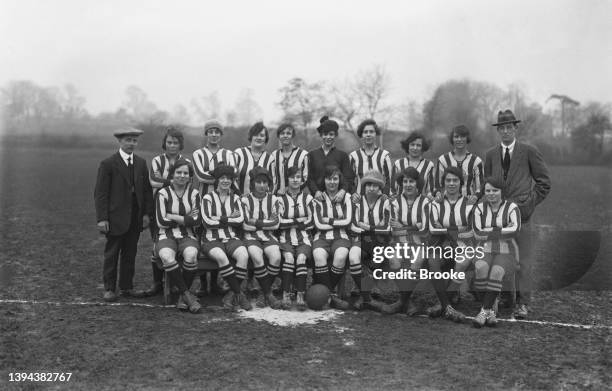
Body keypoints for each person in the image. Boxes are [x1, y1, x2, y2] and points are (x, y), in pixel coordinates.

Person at [484, 109, 551, 319]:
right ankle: (504, 297)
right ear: (498, 131)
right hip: (498, 216)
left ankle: (522, 303)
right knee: (500, 256)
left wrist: (528, 205)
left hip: (523, 216)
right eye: (501, 128)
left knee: (524, 261)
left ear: (515, 128)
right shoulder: (490, 154)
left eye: (508, 127)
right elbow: (487, 186)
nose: (505, 131)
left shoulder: (529, 151)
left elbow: (544, 183)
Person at [94, 127, 153, 302]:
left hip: (135, 218)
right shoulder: (108, 164)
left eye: (134, 140)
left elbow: (147, 191)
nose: (131, 144)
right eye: (128, 140)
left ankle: (127, 287)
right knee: (112, 254)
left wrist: (146, 215)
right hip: (115, 218)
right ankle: (110, 288)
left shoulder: (141, 163)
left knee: (130, 253)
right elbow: (101, 193)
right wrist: (102, 218)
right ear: (120, 142)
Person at [200, 164, 253, 311]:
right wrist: (229, 217)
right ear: (217, 180)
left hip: (231, 237)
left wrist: (218, 218)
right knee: (222, 257)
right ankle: (239, 294)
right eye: (222, 178)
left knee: (243, 255)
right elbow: (207, 222)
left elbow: (240, 220)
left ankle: (230, 295)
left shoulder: (236, 198)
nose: (225, 181)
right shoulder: (207, 197)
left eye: (228, 179)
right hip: (211, 239)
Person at [193, 119, 236, 298]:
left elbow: (231, 172)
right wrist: (221, 174)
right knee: (204, 239)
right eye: (210, 131)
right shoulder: (198, 153)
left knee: (220, 237)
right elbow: (201, 176)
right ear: (206, 133)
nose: (214, 134)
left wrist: (222, 175)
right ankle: (203, 284)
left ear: (221, 134)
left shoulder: (228, 153)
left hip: (224, 201)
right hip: (204, 199)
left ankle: (216, 282)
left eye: (217, 131)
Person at [145, 126, 189, 297]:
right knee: (157, 245)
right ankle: (158, 283)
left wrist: (173, 181)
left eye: (176, 143)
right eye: (169, 142)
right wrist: (175, 181)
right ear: (165, 143)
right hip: (158, 207)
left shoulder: (186, 162)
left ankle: (176, 282)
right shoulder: (157, 160)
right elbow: (154, 181)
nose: (172, 145)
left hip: (179, 209)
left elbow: (187, 182)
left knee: (178, 244)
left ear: (180, 145)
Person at [471, 176, 521, 327]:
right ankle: (491, 311)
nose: (491, 193)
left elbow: (516, 230)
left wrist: (490, 230)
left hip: (507, 250)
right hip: (483, 249)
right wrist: (502, 229)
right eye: (488, 190)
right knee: (481, 268)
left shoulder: (512, 208)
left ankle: (483, 311)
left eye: (495, 190)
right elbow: (478, 233)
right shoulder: (479, 208)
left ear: (502, 191)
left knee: (497, 271)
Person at [427, 167, 474, 322]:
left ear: (461, 183)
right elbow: (433, 228)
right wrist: (458, 229)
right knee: (432, 261)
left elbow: (473, 230)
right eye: (448, 180)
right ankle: (447, 306)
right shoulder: (436, 203)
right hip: (443, 244)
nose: (451, 183)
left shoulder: (469, 203)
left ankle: (443, 304)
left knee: (461, 263)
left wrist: (447, 229)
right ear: (443, 183)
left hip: (464, 245)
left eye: (455, 180)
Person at [381, 167, 430, 315]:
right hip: (398, 241)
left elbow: (425, 228)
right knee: (393, 260)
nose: (408, 185)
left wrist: (404, 226)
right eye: (405, 181)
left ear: (417, 183)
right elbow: (393, 228)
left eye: (412, 181)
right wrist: (413, 226)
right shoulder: (393, 202)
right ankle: (407, 302)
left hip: (419, 242)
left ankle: (401, 302)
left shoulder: (425, 201)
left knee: (417, 260)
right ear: (401, 183)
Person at [155, 159, 202, 313]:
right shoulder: (163, 193)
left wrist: (172, 216)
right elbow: (161, 221)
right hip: (166, 236)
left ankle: (183, 297)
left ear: (190, 176)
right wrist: (186, 218)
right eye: (179, 172)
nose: (182, 176)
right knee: (167, 257)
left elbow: (196, 221)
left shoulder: (195, 194)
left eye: (185, 173)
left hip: (188, 236)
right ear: (172, 174)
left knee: (191, 254)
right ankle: (187, 296)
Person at [312, 165, 354, 309]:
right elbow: (318, 224)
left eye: (335, 179)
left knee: (341, 257)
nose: (332, 182)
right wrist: (338, 222)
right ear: (324, 180)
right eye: (329, 179)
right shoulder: (317, 198)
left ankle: (326, 294)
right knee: (318, 256)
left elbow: (348, 221)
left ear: (339, 180)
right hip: (321, 237)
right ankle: (331, 296)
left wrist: (328, 220)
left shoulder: (346, 197)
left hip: (341, 237)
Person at [348, 170, 390, 311]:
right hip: (362, 238)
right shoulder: (358, 201)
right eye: (368, 185)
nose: (371, 188)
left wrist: (368, 227)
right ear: (364, 186)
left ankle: (367, 290)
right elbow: (353, 223)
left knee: (379, 258)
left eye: (375, 185)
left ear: (380, 188)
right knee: (354, 256)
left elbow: (386, 227)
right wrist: (371, 228)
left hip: (381, 240)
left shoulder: (385, 201)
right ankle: (365, 294)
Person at [241, 167, 282, 308]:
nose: (262, 185)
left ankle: (263, 293)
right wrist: (266, 222)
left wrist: (256, 222)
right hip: (251, 237)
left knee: (276, 258)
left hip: (269, 237)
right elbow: (245, 224)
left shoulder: (274, 199)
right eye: (259, 182)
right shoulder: (245, 200)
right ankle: (268, 294)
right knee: (257, 258)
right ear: (253, 183)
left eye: (265, 182)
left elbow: (276, 224)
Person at [277, 167, 314, 310]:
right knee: (289, 258)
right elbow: (280, 223)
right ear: (287, 179)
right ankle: (286, 293)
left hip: (304, 239)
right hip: (285, 239)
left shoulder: (308, 198)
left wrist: (291, 221)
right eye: (292, 177)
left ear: (302, 179)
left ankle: (300, 294)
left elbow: (312, 222)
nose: (295, 180)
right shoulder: (279, 199)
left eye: (298, 177)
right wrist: (300, 221)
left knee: (301, 259)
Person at [307, 116, 355, 202]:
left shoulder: (343, 155)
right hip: (318, 199)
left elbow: (349, 178)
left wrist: (342, 191)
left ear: (335, 135)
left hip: (338, 199)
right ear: (321, 135)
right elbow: (309, 178)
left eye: (331, 134)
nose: (328, 137)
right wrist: (316, 191)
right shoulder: (312, 155)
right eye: (325, 134)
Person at [435, 124, 483, 204]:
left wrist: (475, 197)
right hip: (447, 204)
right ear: (452, 139)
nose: (459, 139)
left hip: (468, 204)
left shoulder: (476, 161)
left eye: (462, 137)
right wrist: (438, 195)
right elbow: (437, 185)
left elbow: (480, 187)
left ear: (467, 138)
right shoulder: (443, 160)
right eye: (456, 137)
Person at [349, 119, 393, 203]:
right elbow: (349, 180)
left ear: (376, 134)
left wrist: (386, 194)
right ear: (361, 134)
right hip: (359, 201)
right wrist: (353, 193)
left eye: (371, 132)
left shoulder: (384, 155)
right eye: (365, 132)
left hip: (379, 201)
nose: (368, 134)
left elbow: (389, 179)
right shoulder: (353, 156)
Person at [234, 122, 275, 196]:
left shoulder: (270, 159)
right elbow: (231, 178)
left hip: (262, 203)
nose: (259, 138)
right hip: (240, 201)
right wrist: (239, 195)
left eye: (262, 135)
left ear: (265, 138)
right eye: (256, 135)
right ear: (251, 136)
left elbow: (272, 183)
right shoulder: (239, 154)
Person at [393, 131, 435, 199]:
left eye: (418, 145)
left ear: (423, 147)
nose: (415, 148)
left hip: (421, 206)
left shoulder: (429, 165)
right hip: (400, 205)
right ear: (407, 146)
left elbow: (430, 190)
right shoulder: (398, 164)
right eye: (412, 144)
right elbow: (392, 189)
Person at [271, 123, 309, 195]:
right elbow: (272, 178)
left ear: (293, 136)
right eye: (282, 133)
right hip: (277, 198)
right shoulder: (274, 155)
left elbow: (306, 179)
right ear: (279, 136)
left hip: (296, 198)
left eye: (288, 133)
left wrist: (289, 189)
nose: (285, 136)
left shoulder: (303, 155)